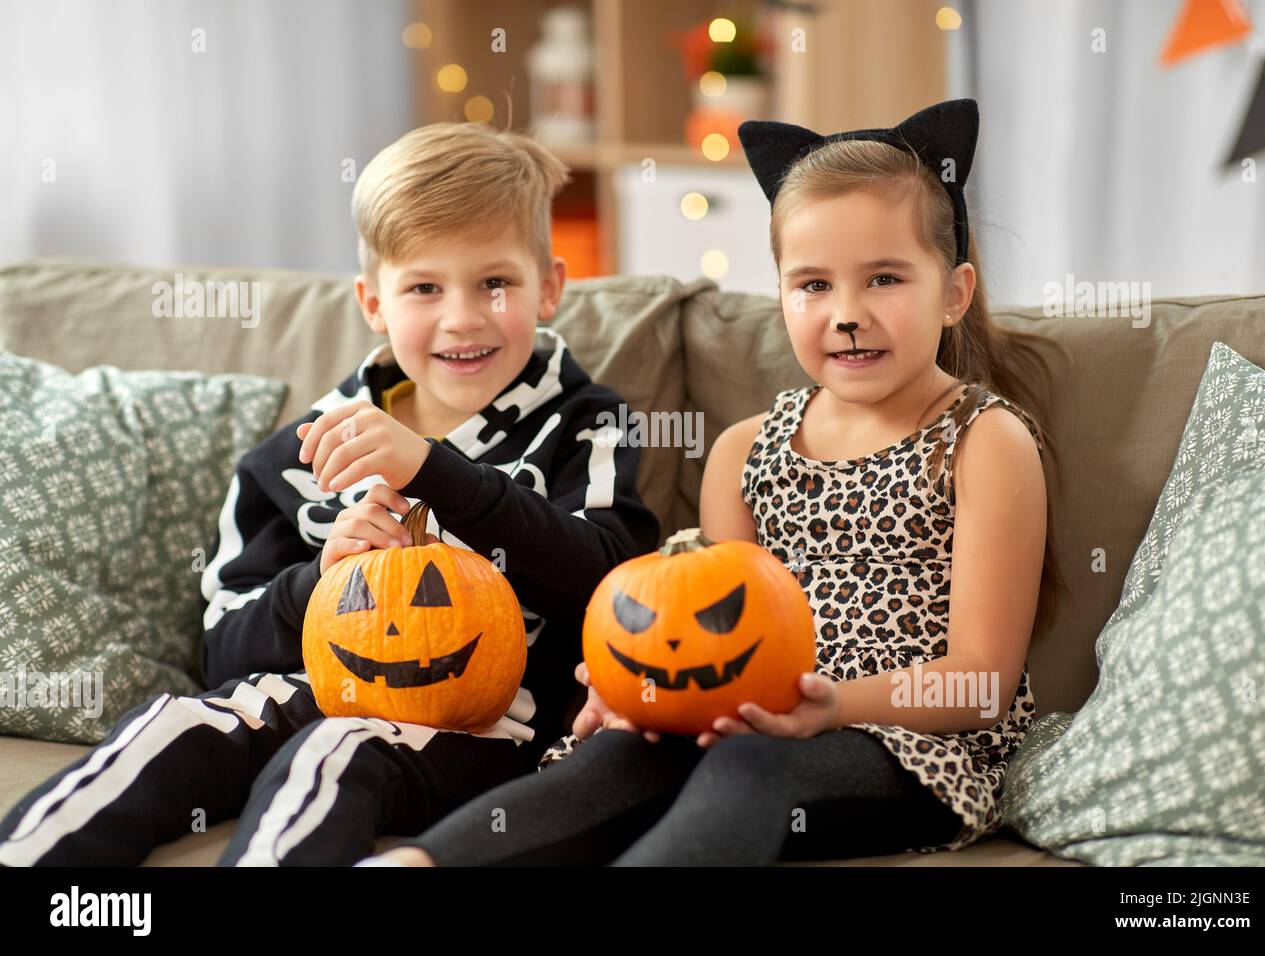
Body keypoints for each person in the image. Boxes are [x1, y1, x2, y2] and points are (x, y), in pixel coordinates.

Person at [365, 98, 1069, 867]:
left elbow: (981, 685)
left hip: (910, 747)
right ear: (781, 294)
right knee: (619, 755)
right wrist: (634, 686)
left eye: (885, 279)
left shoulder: (982, 439)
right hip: (742, 720)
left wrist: (829, 704)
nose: (846, 314)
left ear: (955, 292)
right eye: (812, 285)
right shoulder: (743, 452)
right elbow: (711, 628)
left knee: (744, 765)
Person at [0, 122, 660, 867]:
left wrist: (433, 473)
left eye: (494, 282)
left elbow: (614, 580)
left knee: (338, 746)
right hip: (302, 690)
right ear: (372, 302)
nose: (462, 316)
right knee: (171, 724)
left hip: (485, 727)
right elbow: (224, 649)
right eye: (423, 287)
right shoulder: (298, 454)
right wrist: (320, 582)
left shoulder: (585, 424)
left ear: (549, 288)